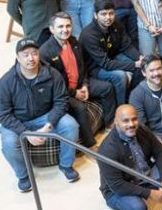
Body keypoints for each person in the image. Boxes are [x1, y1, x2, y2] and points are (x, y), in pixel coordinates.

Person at [0, 38, 81, 191]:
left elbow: (61, 101)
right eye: (25, 55)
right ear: (17, 57)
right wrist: (25, 132)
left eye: (34, 53)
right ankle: (23, 175)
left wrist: (48, 125)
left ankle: (66, 165)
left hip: (45, 115)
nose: (31, 58)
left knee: (70, 125)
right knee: (8, 142)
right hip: (18, 121)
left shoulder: (52, 74)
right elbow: (3, 115)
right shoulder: (7, 81)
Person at [41, 13, 116, 147]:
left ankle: (109, 124)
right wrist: (74, 93)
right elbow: (53, 85)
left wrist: (85, 85)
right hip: (63, 93)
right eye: (60, 26)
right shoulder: (45, 53)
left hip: (80, 84)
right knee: (80, 108)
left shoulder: (74, 42)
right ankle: (89, 145)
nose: (65, 29)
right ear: (52, 29)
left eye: (68, 26)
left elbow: (83, 67)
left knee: (107, 88)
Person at [81, 0, 144, 107]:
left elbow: (126, 46)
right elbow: (105, 64)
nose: (108, 18)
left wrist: (140, 58)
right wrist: (133, 64)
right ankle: (121, 108)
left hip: (113, 57)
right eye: (103, 14)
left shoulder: (116, 24)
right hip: (95, 67)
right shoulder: (88, 35)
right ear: (95, 15)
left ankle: (133, 101)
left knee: (142, 66)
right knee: (120, 76)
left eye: (111, 13)